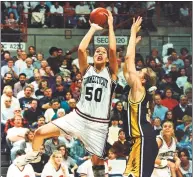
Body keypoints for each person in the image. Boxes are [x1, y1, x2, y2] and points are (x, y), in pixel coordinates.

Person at [15, 10, 118, 177]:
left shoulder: (111, 74)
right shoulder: (87, 70)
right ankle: (33, 155)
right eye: (97, 51)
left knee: (97, 164)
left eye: (103, 52)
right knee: (40, 133)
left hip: (97, 125)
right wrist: (92, 28)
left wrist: (111, 25)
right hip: (77, 117)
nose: (100, 53)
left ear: (107, 59)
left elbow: (113, 49)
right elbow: (82, 49)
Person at [123, 17, 158, 177]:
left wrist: (132, 32)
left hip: (143, 137)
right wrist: (133, 43)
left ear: (143, 80)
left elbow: (129, 60)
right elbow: (126, 64)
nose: (135, 71)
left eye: (139, 71)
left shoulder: (139, 88)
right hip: (137, 138)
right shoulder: (135, 88)